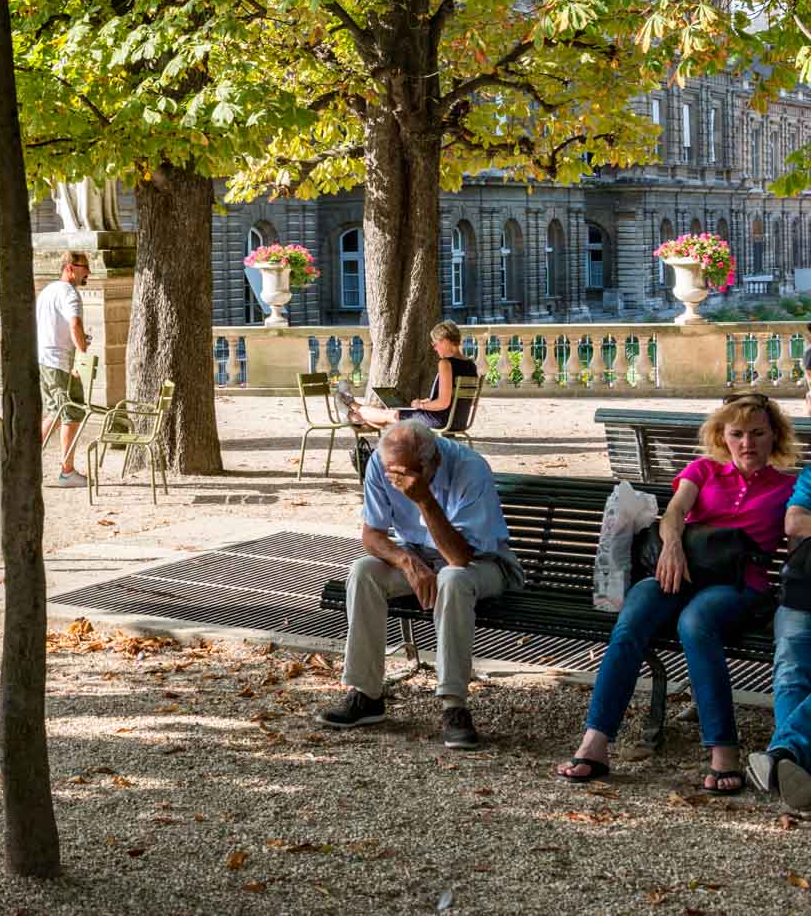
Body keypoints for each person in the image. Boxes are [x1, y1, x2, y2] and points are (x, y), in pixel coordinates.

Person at [558, 393, 797, 791]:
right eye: (736, 434)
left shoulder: (787, 486)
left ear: (775, 436)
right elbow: (673, 513)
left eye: (757, 433)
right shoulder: (703, 470)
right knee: (632, 621)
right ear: (723, 436)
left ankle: (724, 751)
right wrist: (671, 547)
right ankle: (595, 743)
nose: (747, 443)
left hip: (740, 584)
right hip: (679, 570)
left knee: (696, 622)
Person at [316, 420, 523, 749]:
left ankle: (454, 705)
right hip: (420, 558)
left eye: (406, 474)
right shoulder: (381, 464)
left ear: (431, 462)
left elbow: (459, 557)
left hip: (482, 564)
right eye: (391, 472)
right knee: (363, 571)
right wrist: (407, 562)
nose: (396, 481)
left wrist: (424, 500)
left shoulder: (470, 469)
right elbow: (372, 536)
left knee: (452, 578)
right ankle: (366, 695)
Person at [754, 447, 811, 809]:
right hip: (805, 590)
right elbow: (795, 522)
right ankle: (792, 769)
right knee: (791, 665)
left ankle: (782, 755)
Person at [346, 320, 479, 431]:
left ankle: (351, 405)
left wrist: (421, 406)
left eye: (435, 343)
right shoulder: (471, 365)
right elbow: (468, 400)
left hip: (440, 421)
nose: (434, 347)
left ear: (444, 340)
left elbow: (444, 403)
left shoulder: (446, 364)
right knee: (390, 421)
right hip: (459, 421)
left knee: (391, 414)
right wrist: (428, 402)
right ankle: (354, 416)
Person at [36, 249, 91, 486]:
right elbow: (74, 323)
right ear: (69, 267)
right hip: (59, 362)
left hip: (45, 359)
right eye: (84, 267)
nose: (88, 272)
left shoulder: (47, 291)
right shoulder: (69, 293)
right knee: (70, 412)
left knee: (56, 413)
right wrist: (82, 348)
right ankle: (66, 471)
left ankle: (24, 461)